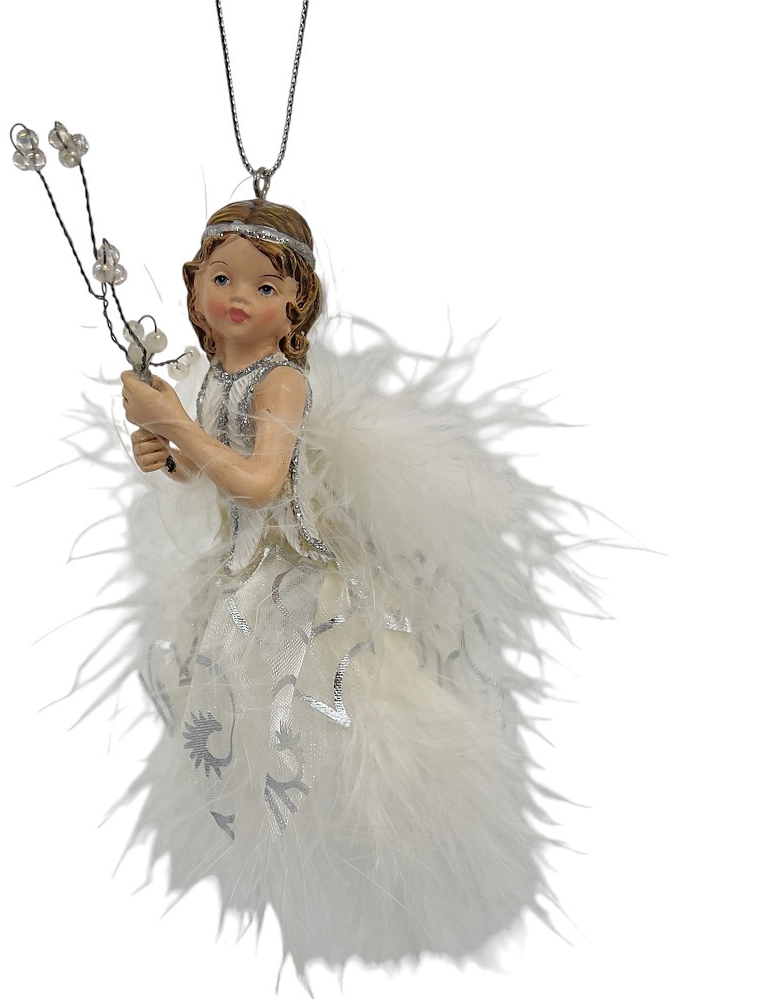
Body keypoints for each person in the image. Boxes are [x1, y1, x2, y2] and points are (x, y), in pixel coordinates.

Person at [114, 199, 588, 980]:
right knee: (245, 727)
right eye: (223, 279)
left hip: (298, 580)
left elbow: (261, 483)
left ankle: (388, 881)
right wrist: (168, 451)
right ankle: (298, 868)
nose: (240, 298)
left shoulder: (281, 383)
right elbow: (208, 471)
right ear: (194, 285)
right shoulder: (218, 376)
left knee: (327, 721)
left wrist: (178, 423)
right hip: (237, 577)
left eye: (266, 287)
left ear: (297, 303)